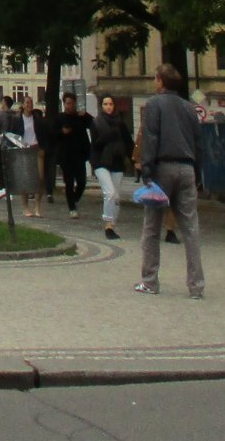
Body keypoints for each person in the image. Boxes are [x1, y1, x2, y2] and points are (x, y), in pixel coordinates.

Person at [134, 63, 204, 299]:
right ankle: (196, 285)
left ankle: (150, 281)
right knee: (190, 228)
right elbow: (198, 140)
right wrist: (198, 171)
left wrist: (146, 168)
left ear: (161, 82)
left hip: (162, 167)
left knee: (152, 228)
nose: (155, 82)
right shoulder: (189, 108)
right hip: (187, 167)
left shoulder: (154, 104)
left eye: (156, 78)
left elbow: (151, 137)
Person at [90, 94, 131, 241]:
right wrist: (108, 136)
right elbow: (96, 144)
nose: (108, 107)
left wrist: (133, 159)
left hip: (117, 162)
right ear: (102, 106)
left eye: (111, 104)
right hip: (101, 162)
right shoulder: (97, 122)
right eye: (106, 104)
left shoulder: (120, 123)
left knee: (117, 196)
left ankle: (112, 225)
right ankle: (108, 224)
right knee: (110, 193)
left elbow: (128, 142)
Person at [54, 92, 94, 220]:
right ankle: (71, 207)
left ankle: (75, 199)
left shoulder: (80, 117)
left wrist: (85, 114)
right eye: (67, 103)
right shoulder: (60, 118)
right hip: (66, 156)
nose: (69, 106)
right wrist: (62, 132)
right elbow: (52, 133)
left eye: (72, 103)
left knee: (82, 181)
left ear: (75, 104)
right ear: (64, 104)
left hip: (79, 155)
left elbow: (94, 123)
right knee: (69, 182)